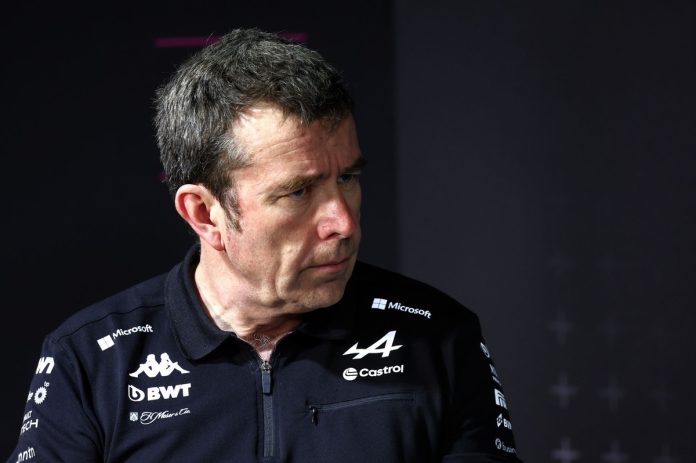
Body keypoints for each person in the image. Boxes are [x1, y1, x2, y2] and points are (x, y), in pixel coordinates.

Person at [8, 29, 524, 462]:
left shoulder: (438, 337)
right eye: (297, 192)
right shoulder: (90, 359)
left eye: (347, 178)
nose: (343, 222)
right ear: (204, 213)